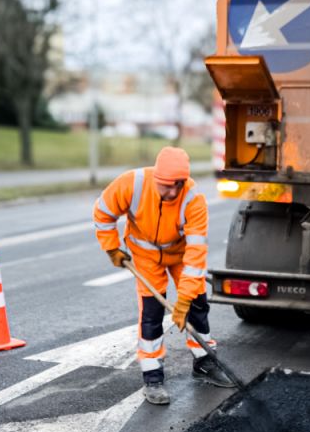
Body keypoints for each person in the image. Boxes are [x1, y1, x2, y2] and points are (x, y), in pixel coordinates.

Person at [94, 146, 236, 405]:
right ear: (155, 178)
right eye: (165, 186)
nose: (171, 192)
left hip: (180, 254)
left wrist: (184, 299)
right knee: (151, 312)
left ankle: (204, 363)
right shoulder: (132, 184)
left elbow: (196, 254)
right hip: (145, 255)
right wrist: (112, 247)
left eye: (177, 186)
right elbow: (103, 213)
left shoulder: (193, 200)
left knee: (196, 304)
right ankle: (153, 376)